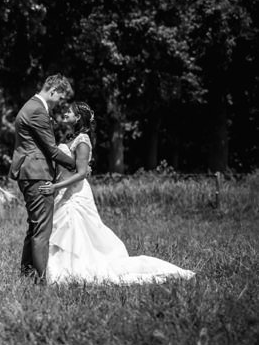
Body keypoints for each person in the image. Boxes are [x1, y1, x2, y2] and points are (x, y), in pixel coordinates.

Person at [38, 102, 195, 284]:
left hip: (74, 193)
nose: (64, 113)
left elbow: (81, 174)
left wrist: (55, 187)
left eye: (69, 111)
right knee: (62, 230)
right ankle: (55, 269)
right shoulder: (67, 138)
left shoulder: (82, 140)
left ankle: (72, 270)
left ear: (78, 117)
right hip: (62, 190)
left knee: (75, 229)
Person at [10, 75, 77, 283]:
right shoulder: (37, 110)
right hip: (36, 173)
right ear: (53, 90)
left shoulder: (33, 107)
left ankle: (27, 275)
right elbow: (52, 150)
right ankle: (40, 282)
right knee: (42, 229)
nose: (60, 102)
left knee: (35, 226)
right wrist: (78, 166)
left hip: (31, 172)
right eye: (60, 97)